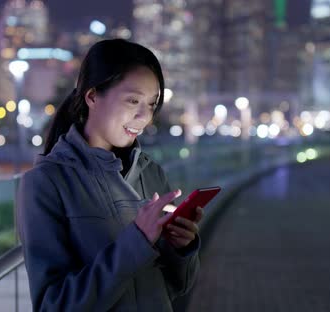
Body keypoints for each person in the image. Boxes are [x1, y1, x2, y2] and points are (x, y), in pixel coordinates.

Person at [17, 39, 201, 311]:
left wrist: (182, 248)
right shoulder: (45, 182)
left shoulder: (151, 173)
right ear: (92, 96)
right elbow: (53, 305)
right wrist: (137, 241)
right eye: (133, 100)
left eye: (151, 104)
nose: (145, 117)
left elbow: (175, 287)